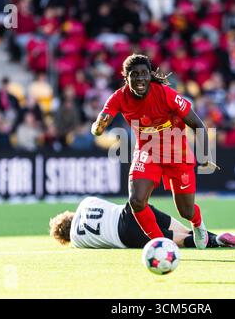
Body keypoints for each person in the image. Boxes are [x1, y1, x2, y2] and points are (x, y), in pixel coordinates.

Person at [91, 54, 219, 249]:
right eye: (135, 75)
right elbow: (99, 125)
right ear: (126, 78)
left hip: (177, 153)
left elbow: (197, 123)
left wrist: (204, 155)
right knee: (136, 200)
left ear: (150, 76)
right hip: (147, 151)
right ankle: (160, 244)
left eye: (144, 74)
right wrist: (98, 127)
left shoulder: (166, 94)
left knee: (186, 211)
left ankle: (198, 223)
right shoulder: (119, 97)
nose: (140, 79)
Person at [49, 196, 235, 249]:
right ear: (69, 215)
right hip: (130, 210)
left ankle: (218, 241)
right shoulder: (85, 203)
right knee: (187, 231)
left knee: (176, 241)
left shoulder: (77, 240)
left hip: (124, 233)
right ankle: (210, 234)